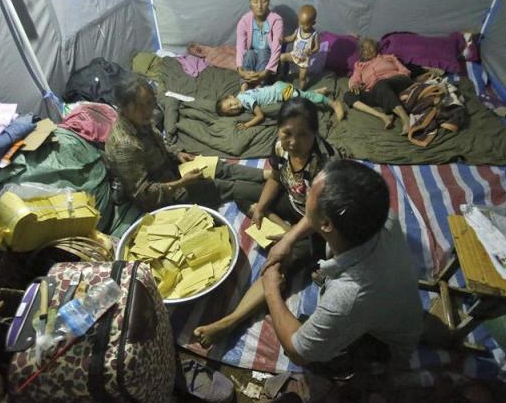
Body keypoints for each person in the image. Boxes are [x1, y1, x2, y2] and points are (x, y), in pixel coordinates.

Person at [194, 97, 340, 346]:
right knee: (241, 192)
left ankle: (230, 321)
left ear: (315, 133)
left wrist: (290, 237)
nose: (293, 142)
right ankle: (278, 222)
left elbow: (320, 216)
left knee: (277, 262)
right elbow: (275, 177)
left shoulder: (326, 165)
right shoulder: (281, 146)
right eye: (287, 133)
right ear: (278, 129)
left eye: (303, 135)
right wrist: (262, 208)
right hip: (293, 202)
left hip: (316, 225)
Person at [262, 159, 423, 373]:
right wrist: (288, 239)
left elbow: (297, 353)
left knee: (302, 345)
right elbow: (319, 217)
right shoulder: (381, 217)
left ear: (327, 224)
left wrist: (271, 290)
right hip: (396, 307)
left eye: (310, 192)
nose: (306, 190)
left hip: (384, 343)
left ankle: (371, 370)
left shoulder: (348, 296)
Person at [105, 76, 267, 211]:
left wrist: (176, 153)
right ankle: (274, 192)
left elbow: (157, 143)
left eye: (151, 102)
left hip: (170, 170)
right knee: (222, 186)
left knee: (217, 166)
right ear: (124, 108)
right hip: (163, 194)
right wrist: (181, 183)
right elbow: (143, 194)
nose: (149, 110)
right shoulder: (125, 145)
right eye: (142, 106)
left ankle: (267, 176)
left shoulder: (140, 119)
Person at [344, 38, 414, 135]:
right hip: (377, 90)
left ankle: (406, 119)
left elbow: (405, 71)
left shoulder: (389, 57)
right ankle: (383, 116)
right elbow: (354, 79)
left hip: (397, 81)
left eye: (370, 47)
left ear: (376, 48)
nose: (367, 50)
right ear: (361, 52)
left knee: (381, 85)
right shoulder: (359, 65)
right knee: (348, 95)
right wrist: (354, 85)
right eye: (364, 48)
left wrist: (397, 78)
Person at [215, 81, 345, 129]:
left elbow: (260, 116)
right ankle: (316, 91)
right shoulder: (240, 95)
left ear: (231, 96)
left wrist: (246, 125)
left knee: (304, 99)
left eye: (231, 104)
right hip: (278, 87)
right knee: (301, 94)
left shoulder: (245, 101)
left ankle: (333, 104)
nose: (234, 108)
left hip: (282, 92)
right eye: (230, 111)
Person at [236, 0, 283, 91]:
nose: (259, 6)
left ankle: (259, 88)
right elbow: (240, 48)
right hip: (252, 63)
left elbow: (276, 50)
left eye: (263, 1)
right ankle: (244, 87)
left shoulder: (276, 21)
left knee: (263, 51)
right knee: (250, 53)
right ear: (250, 2)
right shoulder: (244, 21)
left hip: (269, 68)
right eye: (255, 1)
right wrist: (240, 69)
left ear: (269, 1)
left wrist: (264, 73)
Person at [280, 4, 319, 90]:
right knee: (281, 57)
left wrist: (312, 51)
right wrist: (283, 39)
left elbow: (317, 47)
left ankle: (301, 91)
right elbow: (291, 38)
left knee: (302, 77)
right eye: (300, 23)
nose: (302, 27)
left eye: (306, 25)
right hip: (294, 55)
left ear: (313, 23)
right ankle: (280, 76)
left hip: (304, 60)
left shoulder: (314, 35)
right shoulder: (298, 30)